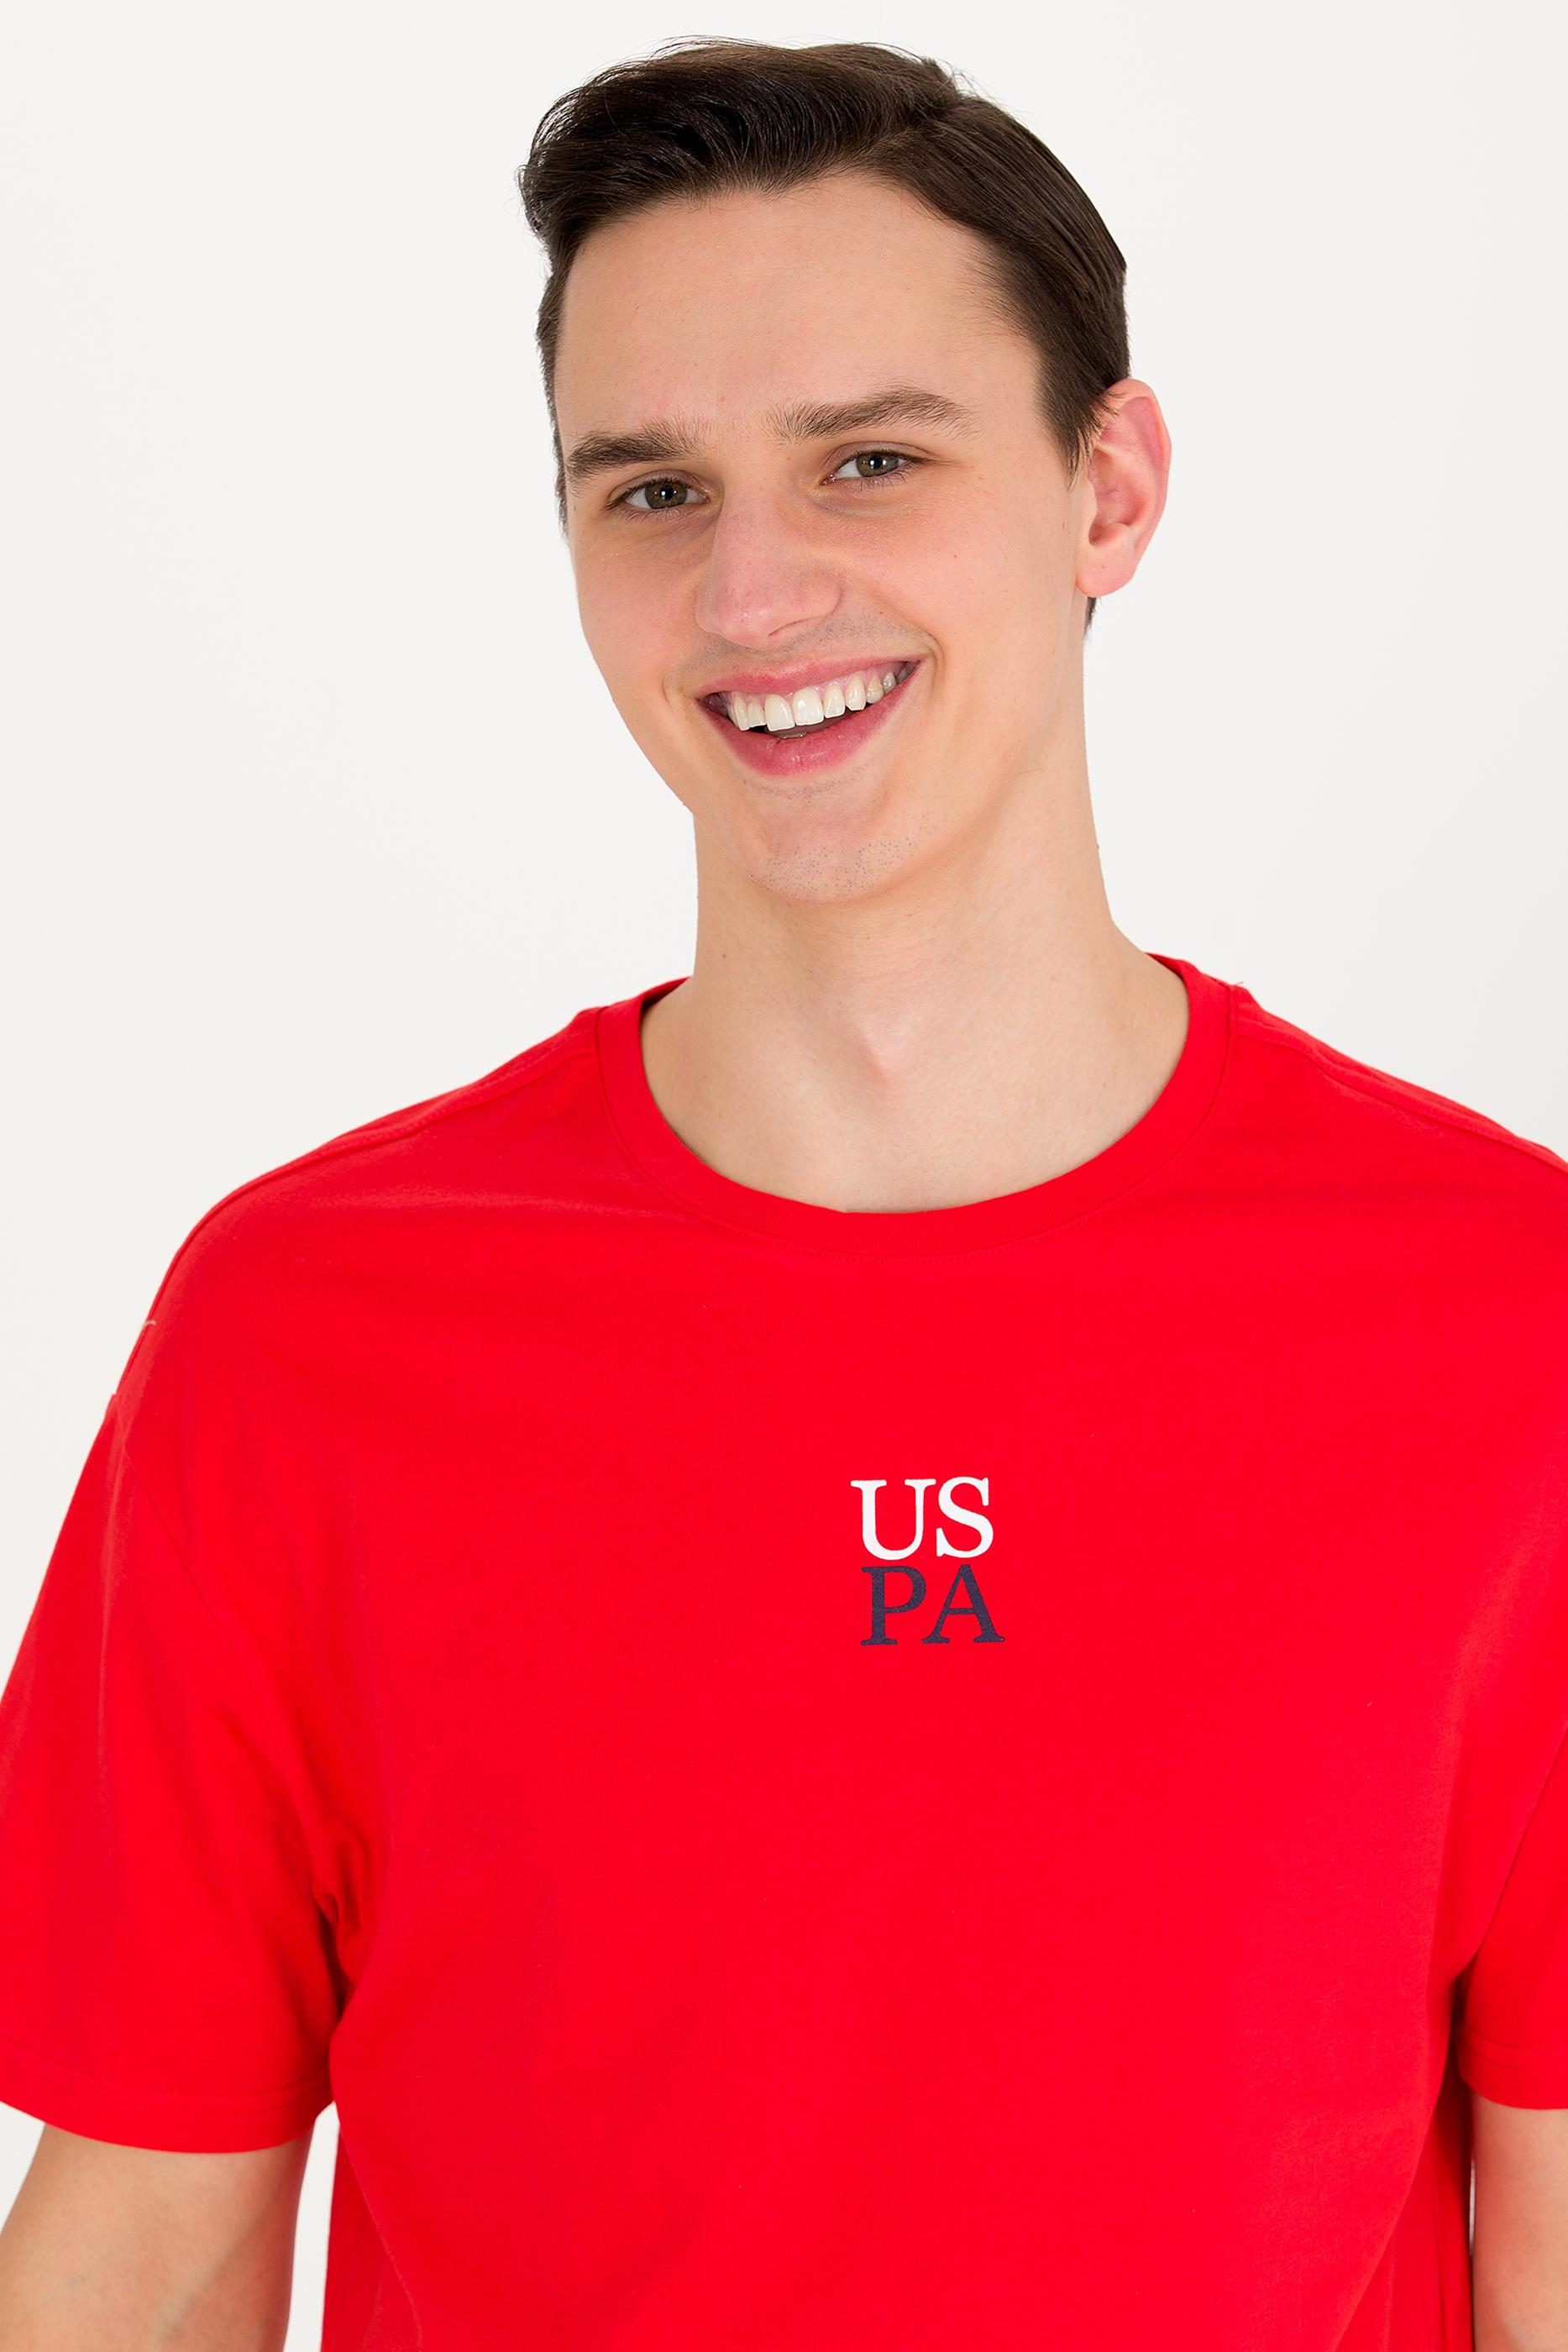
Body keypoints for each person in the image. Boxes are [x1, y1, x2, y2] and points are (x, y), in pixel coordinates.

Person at [0, 34, 1563, 2351]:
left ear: (1108, 488)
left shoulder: (1505, 1319)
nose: (751, 592)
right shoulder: (297, 1337)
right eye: (652, 490)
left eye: (869, 460)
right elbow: (146, 2247)